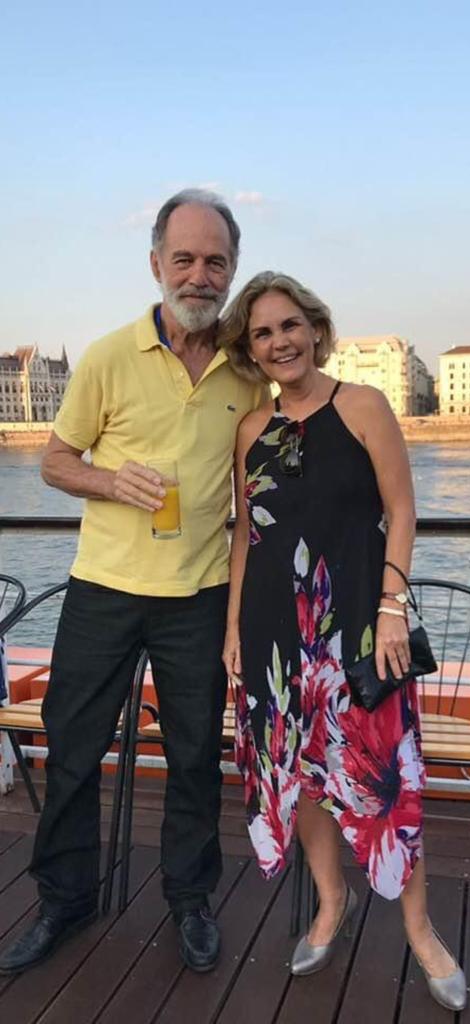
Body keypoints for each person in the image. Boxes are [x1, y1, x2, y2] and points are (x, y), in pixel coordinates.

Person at [0, 189, 266, 977]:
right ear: (155, 264)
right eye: (183, 258)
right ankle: (63, 900)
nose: (199, 275)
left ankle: (190, 900)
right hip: (104, 589)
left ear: (232, 270)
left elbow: (256, 498)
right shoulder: (109, 355)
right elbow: (55, 462)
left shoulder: (246, 372)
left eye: (215, 261)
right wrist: (113, 482)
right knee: (73, 749)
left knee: (195, 757)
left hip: (200, 596)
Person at [220, 272, 467, 1012]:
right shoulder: (250, 431)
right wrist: (233, 629)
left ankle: (421, 932)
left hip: (357, 626)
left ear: (315, 329)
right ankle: (332, 904)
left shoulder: (362, 405)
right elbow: (246, 536)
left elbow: (402, 509)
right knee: (301, 778)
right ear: (251, 350)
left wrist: (392, 606)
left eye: (289, 325)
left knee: (386, 777)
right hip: (273, 635)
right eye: (263, 333)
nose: (280, 342)